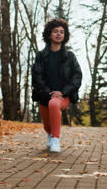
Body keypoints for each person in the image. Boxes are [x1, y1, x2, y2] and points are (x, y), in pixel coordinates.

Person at [32, 18, 82, 152]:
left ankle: (55, 140)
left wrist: (63, 92)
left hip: (64, 96)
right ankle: (50, 134)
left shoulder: (70, 56)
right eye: (55, 31)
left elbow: (77, 77)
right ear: (49, 34)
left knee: (54, 104)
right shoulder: (41, 56)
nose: (59, 34)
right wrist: (49, 92)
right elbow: (37, 76)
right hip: (44, 95)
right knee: (47, 125)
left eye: (62, 32)